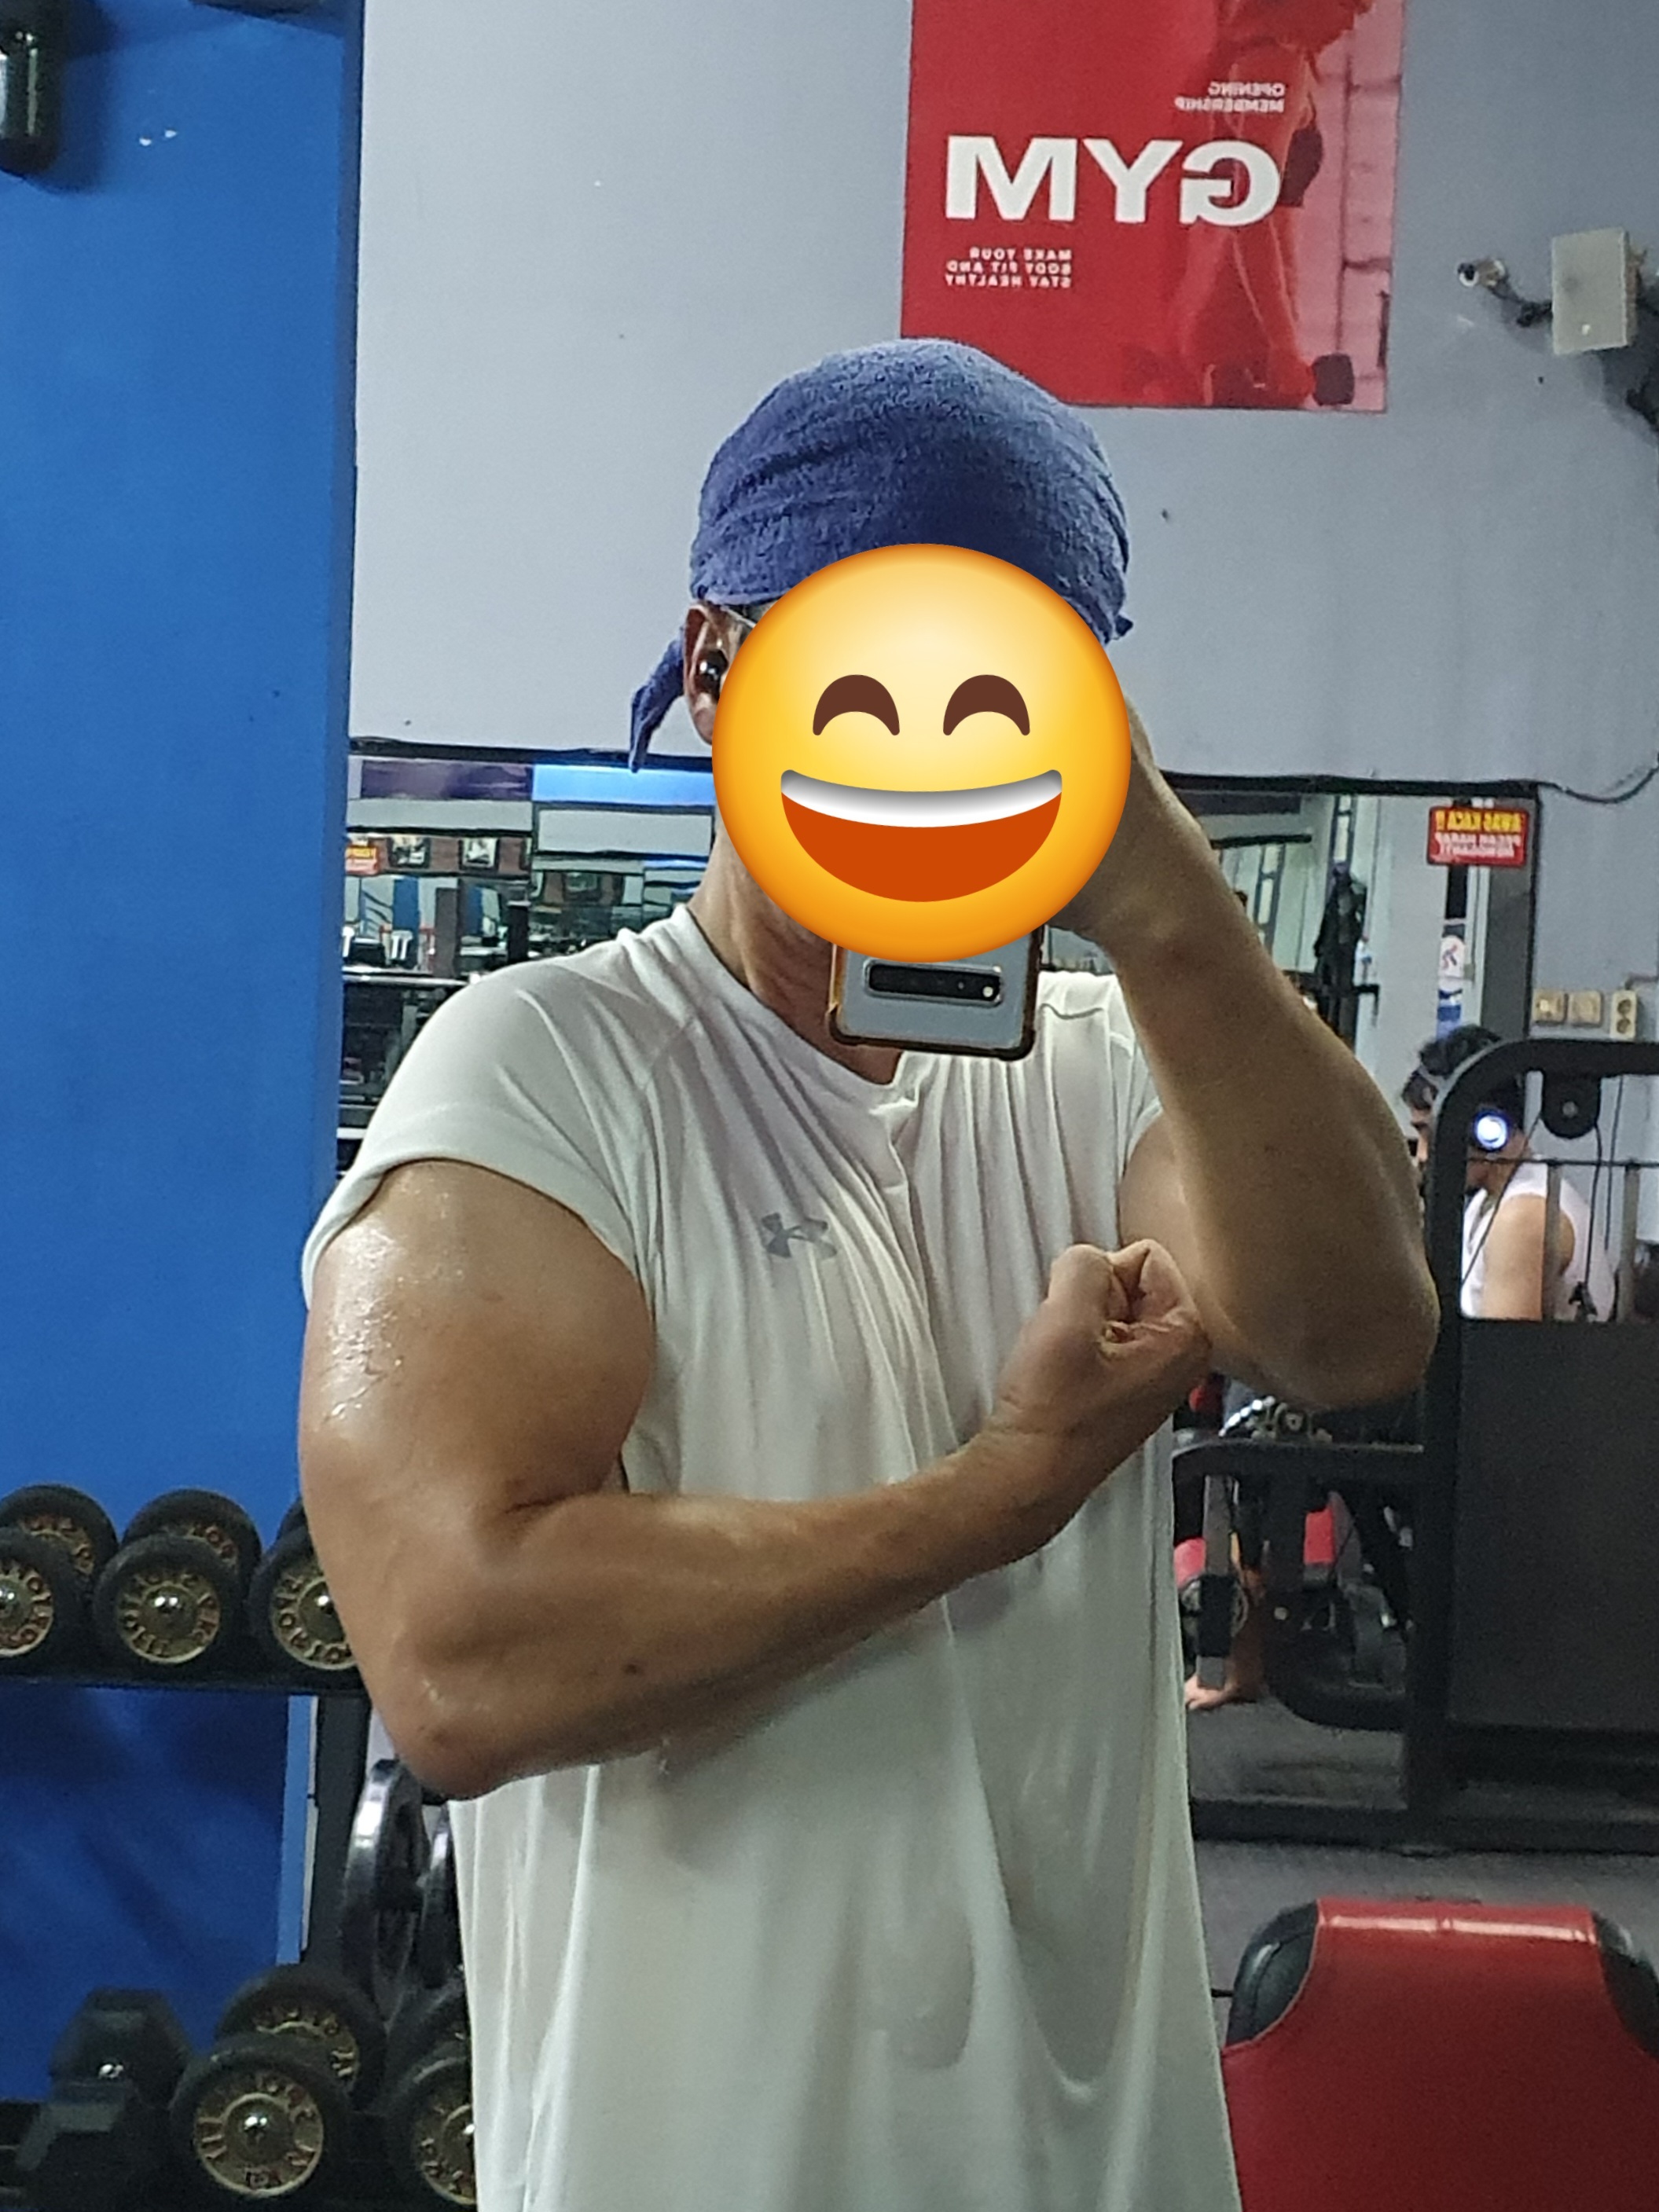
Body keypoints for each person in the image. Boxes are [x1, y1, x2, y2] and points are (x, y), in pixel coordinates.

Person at [298, 339, 1436, 2212]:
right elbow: (458, 1656)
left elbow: (1351, 1332)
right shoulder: (543, 1071)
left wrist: (1158, 897)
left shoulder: (1106, 1065)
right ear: (718, 669)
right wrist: (995, 1496)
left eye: (997, 693)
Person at [1403, 1023, 1616, 1321]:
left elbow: (1503, 1350)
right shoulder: (1488, 1201)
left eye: (1431, 1135)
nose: (1423, 1155)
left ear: (1486, 1130)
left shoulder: (1522, 1218)